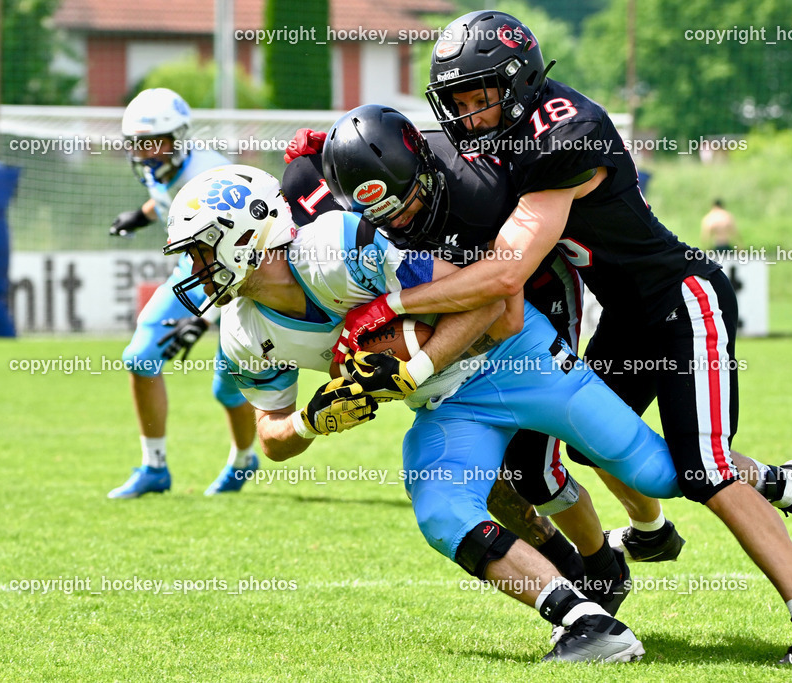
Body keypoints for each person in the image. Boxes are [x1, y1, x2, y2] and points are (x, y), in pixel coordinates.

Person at [337, 10, 792, 664]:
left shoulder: (566, 135)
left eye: (481, 98)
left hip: (681, 300)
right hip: (623, 315)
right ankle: (784, 485)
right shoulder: (498, 141)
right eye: (459, 102)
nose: (470, 117)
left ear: (520, 81)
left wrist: (393, 304)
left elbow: (506, 271)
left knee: (703, 469)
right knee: (603, 451)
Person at [160, 163, 716, 662]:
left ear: (246, 235)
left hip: (514, 357)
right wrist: (312, 419)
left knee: (663, 473)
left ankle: (750, 492)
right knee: (441, 509)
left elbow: (487, 299)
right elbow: (271, 436)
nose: (193, 266)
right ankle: (586, 623)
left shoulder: (336, 245)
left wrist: (415, 367)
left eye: (201, 249)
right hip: (448, 403)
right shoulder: (242, 332)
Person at [282, 106, 686, 612]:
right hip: (450, 305)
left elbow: (504, 308)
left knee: (538, 464)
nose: (399, 220)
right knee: (498, 478)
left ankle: (625, 549)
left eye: (405, 201)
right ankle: (592, 561)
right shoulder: (313, 188)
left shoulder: (477, 184)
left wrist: (412, 351)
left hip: (533, 291)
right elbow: (285, 235)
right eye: (381, 212)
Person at [106, 88, 258, 498]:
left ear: (179, 138)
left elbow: (240, 259)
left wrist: (202, 318)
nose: (145, 153)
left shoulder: (211, 178)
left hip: (244, 282)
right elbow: (166, 195)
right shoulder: (161, 168)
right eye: (138, 144)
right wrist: (141, 215)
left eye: (154, 143)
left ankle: (244, 459)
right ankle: (153, 467)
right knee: (140, 357)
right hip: (193, 271)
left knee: (228, 386)